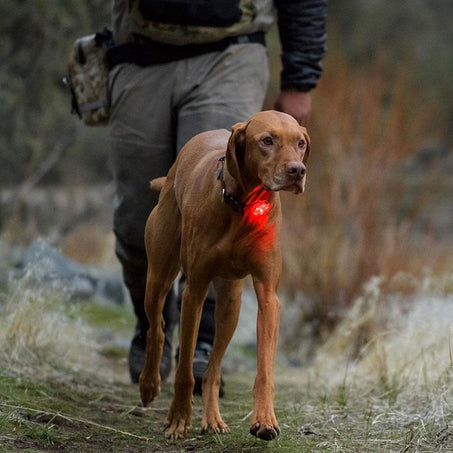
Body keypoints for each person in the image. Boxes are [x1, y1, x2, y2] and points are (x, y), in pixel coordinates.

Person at [107, 0, 327, 392]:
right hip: (141, 50)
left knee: (228, 198)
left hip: (231, 50)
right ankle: (152, 324)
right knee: (139, 212)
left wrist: (299, 79)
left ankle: (204, 347)